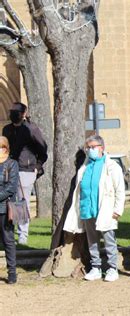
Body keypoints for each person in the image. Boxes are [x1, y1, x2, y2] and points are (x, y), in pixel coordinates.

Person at [63, 135, 125, 282]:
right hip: (87, 208)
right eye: (88, 147)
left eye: (93, 147)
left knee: (109, 239)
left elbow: (120, 189)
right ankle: (95, 267)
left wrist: (118, 209)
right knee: (92, 240)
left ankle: (112, 268)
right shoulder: (85, 166)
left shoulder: (111, 166)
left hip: (105, 209)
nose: (90, 150)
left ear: (101, 148)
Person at [2, 102, 48, 245]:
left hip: (25, 171)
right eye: (11, 111)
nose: (12, 114)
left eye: (16, 112)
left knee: (22, 202)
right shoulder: (7, 129)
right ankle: (8, 235)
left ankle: (22, 236)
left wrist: (36, 167)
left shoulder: (31, 129)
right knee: (8, 202)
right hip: (8, 169)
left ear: (23, 114)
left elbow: (43, 149)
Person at [0, 137, 19, 284]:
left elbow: (11, 187)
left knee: (8, 240)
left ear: (5, 148)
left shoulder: (12, 164)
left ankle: (12, 272)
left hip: (5, 208)